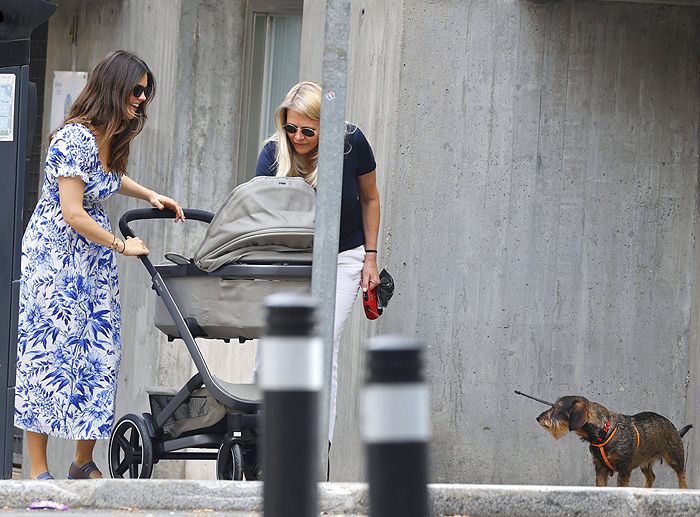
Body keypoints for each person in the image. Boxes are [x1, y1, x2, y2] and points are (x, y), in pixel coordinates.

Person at [14, 50, 185, 480]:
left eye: (146, 92)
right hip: (55, 257)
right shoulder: (74, 137)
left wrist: (149, 195)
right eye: (136, 90)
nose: (142, 99)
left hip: (90, 259)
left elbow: (106, 178)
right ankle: (37, 470)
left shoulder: (111, 135)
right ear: (114, 87)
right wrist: (121, 245)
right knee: (48, 355)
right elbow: (72, 211)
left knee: (98, 353)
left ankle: (81, 460)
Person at [256, 81, 381, 444]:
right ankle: (265, 443)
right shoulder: (273, 153)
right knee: (272, 345)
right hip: (289, 258)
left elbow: (370, 199)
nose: (297, 136)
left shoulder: (351, 144)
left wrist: (370, 258)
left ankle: (316, 449)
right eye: (290, 127)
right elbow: (256, 215)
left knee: (324, 345)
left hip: (343, 256)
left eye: (308, 130)